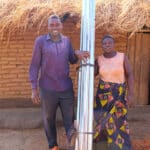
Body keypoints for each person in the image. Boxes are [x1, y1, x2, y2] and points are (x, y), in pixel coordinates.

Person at [29, 14, 89, 150]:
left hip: (65, 87)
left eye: (57, 24)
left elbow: (72, 60)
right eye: (52, 25)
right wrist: (34, 89)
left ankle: (71, 139)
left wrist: (77, 54)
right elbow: (34, 66)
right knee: (49, 119)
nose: (55, 27)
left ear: (61, 26)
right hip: (47, 88)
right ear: (48, 26)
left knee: (70, 117)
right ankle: (53, 145)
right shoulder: (40, 41)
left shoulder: (67, 41)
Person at [93, 35, 134, 150]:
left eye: (109, 43)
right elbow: (92, 73)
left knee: (120, 121)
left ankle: (122, 147)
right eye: (104, 43)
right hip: (103, 97)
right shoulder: (99, 59)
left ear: (113, 44)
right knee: (104, 120)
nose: (107, 45)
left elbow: (130, 74)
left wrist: (131, 94)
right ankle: (106, 146)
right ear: (102, 45)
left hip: (119, 95)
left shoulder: (122, 57)